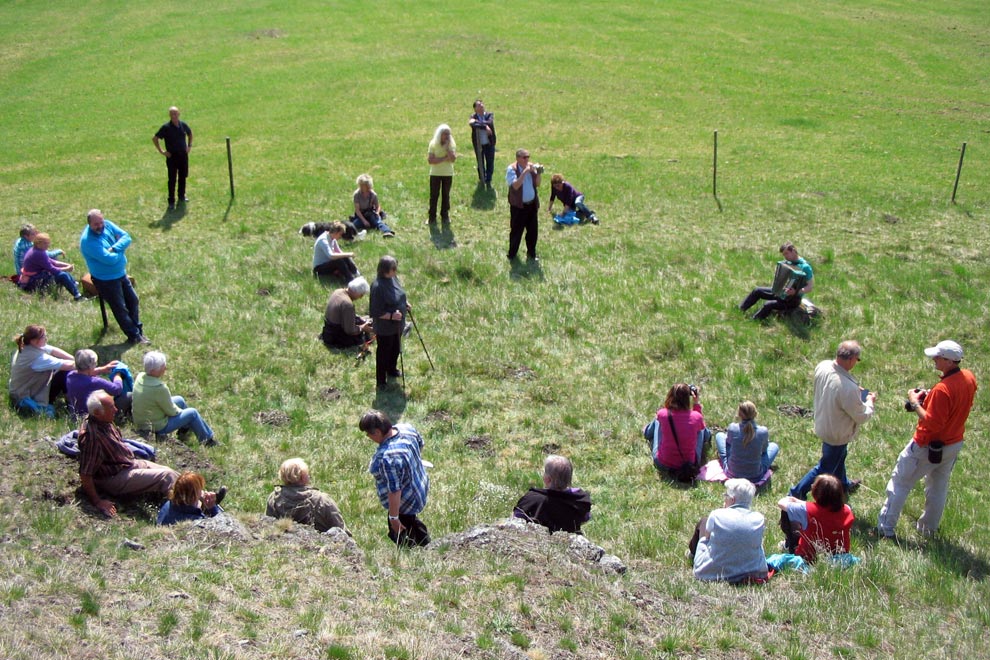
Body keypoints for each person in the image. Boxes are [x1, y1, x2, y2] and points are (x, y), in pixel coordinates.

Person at [877, 340, 977, 538]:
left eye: (938, 357)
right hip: (953, 444)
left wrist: (915, 403)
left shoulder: (943, 390)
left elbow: (932, 423)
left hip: (926, 445)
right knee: (938, 487)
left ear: (949, 361)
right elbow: (956, 400)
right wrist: (931, 397)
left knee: (900, 482)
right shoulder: (969, 377)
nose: (934, 359)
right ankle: (928, 529)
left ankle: (885, 528)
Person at [790, 341, 875, 500]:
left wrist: (855, 392)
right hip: (836, 433)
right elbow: (861, 415)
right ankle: (797, 492)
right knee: (825, 467)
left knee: (840, 456)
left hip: (824, 422)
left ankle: (843, 484)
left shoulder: (823, 366)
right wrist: (870, 401)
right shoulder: (847, 388)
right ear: (851, 359)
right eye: (857, 360)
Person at [78, 390, 179, 518]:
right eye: (111, 407)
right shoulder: (92, 437)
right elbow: (85, 473)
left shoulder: (104, 421)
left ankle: (198, 497)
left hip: (126, 463)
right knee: (166, 476)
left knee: (173, 474)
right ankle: (182, 512)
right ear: (98, 412)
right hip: (114, 477)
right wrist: (97, 501)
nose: (116, 409)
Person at [360, 410, 430, 546]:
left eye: (368, 433)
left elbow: (394, 490)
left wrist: (394, 518)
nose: (368, 437)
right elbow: (420, 444)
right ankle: (424, 544)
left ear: (377, 432)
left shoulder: (388, 457)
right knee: (410, 522)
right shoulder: (407, 429)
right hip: (419, 487)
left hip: (405, 502)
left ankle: (418, 549)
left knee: (402, 533)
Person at [79, 209, 149, 344]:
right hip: (105, 280)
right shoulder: (88, 242)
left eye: (101, 222)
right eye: (96, 224)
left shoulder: (108, 225)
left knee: (133, 300)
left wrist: (116, 248)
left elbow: (127, 237)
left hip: (120, 273)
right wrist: (122, 249)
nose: (100, 226)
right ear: (89, 224)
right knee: (120, 308)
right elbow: (109, 260)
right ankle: (133, 336)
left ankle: (138, 330)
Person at [691, 479, 768, 583]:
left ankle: (693, 553)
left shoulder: (716, 514)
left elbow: (707, 538)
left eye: (726, 495)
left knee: (703, 522)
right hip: (752, 572)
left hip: (713, 573)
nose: (724, 498)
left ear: (732, 499)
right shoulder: (759, 518)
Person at [132, 351, 217, 446]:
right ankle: (208, 440)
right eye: (162, 366)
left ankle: (184, 429)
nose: (165, 368)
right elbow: (171, 411)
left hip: (141, 420)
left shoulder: (140, 377)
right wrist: (181, 412)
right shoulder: (159, 388)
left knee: (179, 400)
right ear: (154, 371)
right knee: (192, 413)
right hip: (156, 426)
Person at [777, 474, 854, 562]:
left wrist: (791, 499)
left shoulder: (807, 510)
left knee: (786, 512)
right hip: (839, 555)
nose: (812, 486)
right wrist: (800, 502)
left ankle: (790, 545)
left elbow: (781, 503)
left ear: (817, 493)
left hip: (808, 557)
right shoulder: (847, 510)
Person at [266, 458, 350, 534]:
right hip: (318, 543)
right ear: (303, 477)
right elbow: (341, 531)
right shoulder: (322, 500)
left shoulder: (274, 498)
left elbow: (268, 525)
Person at [513, 454, 592, 534]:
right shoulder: (579, 499)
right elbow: (586, 518)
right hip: (570, 539)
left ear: (548, 479)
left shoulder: (532, 499)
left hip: (538, 539)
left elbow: (516, 519)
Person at [739, 241, 814, 321]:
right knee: (757, 291)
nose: (785, 257)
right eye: (784, 255)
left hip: (792, 299)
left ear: (793, 250)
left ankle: (754, 320)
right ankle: (739, 310)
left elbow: (810, 287)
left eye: (786, 253)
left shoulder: (805, 267)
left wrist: (796, 292)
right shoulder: (788, 263)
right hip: (780, 292)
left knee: (768, 304)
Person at [648, 383, 710, 473]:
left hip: (663, 463)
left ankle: (647, 432)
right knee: (701, 428)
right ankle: (708, 434)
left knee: (658, 421)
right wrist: (696, 403)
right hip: (689, 464)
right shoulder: (696, 417)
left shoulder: (663, 414)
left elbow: (666, 411)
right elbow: (700, 426)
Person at [8, 325, 75, 407]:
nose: (46, 338)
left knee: (61, 369)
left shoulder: (27, 346)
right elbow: (67, 365)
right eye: (43, 337)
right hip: (26, 393)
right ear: (34, 341)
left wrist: (73, 358)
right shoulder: (37, 358)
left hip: (20, 389)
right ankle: (72, 404)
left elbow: (53, 350)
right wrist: (85, 363)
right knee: (64, 373)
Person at [715, 401, 780, 483]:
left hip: (732, 473)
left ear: (739, 414)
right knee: (774, 446)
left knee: (719, 435)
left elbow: (728, 446)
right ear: (755, 414)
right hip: (755, 476)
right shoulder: (763, 431)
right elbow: (764, 451)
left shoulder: (732, 428)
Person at [368, 256, 408, 389]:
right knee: (384, 353)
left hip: (398, 325)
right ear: (385, 270)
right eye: (393, 269)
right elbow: (375, 311)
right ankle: (381, 381)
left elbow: (399, 293)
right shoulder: (378, 287)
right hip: (385, 328)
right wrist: (391, 316)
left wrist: (405, 303)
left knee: (395, 348)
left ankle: (391, 369)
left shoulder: (393, 278)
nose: (396, 271)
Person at [66, 349, 131, 418]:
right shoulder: (95, 382)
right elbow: (117, 389)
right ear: (91, 366)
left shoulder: (70, 376)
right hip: (93, 418)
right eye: (95, 363)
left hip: (76, 416)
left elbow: (85, 372)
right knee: (129, 395)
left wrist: (102, 369)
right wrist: (118, 374)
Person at [18, 232, 82, 299]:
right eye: (45, 243)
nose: (48, 245)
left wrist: (67, 265)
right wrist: (67, 268)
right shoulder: (38, 253)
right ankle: (77, 296)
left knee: (62, 272)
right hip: (32, 282)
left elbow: (52, 261)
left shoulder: (37, 250)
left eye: (48, 243)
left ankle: (73, 285)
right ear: (38, 243)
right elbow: (52, 269)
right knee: (63, 275)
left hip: (35, 277)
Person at [152, 106, 193, 209]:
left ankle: (182, 195)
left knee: (183, 176)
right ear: (169, 115)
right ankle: (171, 201)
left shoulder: (183, 125)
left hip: (183, 155)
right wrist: (162, 151)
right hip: (172, 157)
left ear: (179, 114)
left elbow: (190, 133)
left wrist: (189, 146)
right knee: (172, 179)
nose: (174, 115)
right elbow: (155, 138)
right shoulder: (166, 128)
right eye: (172, 114)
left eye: (175, 113)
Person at [506, 148, 542, 262]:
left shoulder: (531, 168)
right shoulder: (512, 169)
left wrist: (538, 173)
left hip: (531, 205)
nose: (527, 159)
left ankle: (532, 253)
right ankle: (512, 254)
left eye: (528, 157)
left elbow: (537, 184)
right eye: (524, 157)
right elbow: (515, 186)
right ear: (518, 158)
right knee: (516, 231)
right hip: (518, 207)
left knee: (533, 231)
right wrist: (525, 171)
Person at [157, 471, 226, 526]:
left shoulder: (169, 504)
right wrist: (212, 507)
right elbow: (224, 525)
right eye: (199, 488)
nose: (203, 491)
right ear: (193, 496)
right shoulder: (196, 520)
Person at [321, 277, 373, 348]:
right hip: (336, 337)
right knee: (364, 333)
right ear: (356, 292)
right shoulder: (348, 304)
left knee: (365, 318)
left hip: (327, 332)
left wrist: (359, 319)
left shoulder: (338, 291)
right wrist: (363, 328)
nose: (361, 297)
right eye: (361, 295)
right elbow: (350, 331)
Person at [427, 124, 456, 224]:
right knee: (434, 196)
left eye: (449, 134)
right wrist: (444, 158)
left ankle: (445, 216)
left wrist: (447, 149)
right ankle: (431, 217)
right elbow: (431, 160)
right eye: (445, 134)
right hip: (435, 174)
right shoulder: (433, 144)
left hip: (448, 174)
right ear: (440, 134)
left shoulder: (451, 144)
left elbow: (452, 159)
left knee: (446, 195)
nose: (447, 136)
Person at [468, 99, 496, 186]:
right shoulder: (473, 116)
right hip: (478, 144)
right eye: (479, 105)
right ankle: (482, 178)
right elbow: (473, 125)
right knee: (480, 162)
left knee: (490, 162)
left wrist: (479, 123)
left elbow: (490, 122)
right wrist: (485, 126)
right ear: (475, 108)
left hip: (489, 143)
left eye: (482, 104)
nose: (482, 106)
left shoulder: (489, 115)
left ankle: (489, 180)